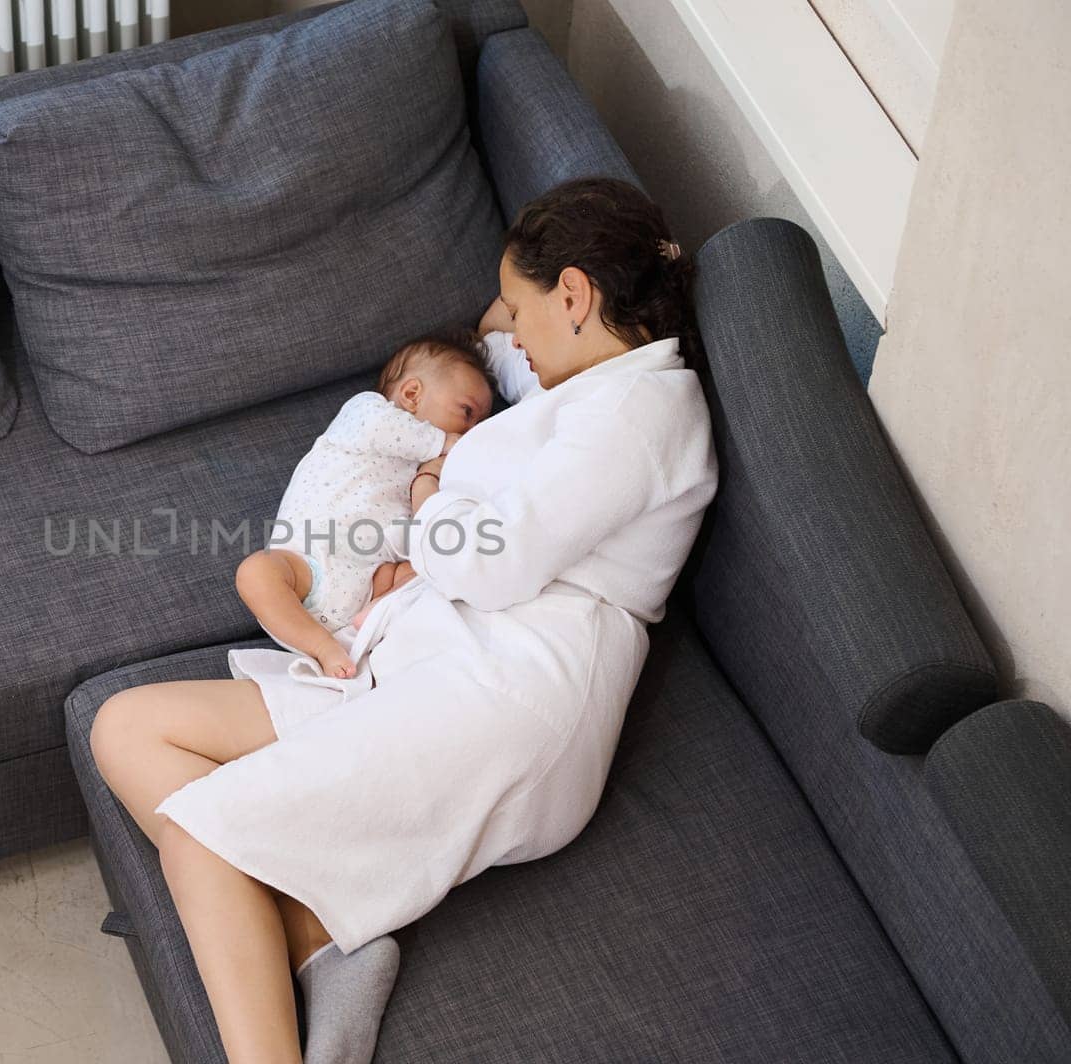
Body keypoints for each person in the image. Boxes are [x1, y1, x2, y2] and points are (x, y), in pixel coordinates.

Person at [89, 176, 718, 1064]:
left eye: (517, 306)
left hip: (508, 695)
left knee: (199, 836)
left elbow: (490, 562)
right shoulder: (583, 380)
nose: (508, 334)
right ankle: (318, 936)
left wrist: (428, 498)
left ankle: (292, 946)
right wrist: (498, 343)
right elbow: (491, 358)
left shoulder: (644, 416)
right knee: (126, 726)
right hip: (419, 659)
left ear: (574, 296)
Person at [235, 328, 495, 679]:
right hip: (309, 570)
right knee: (257, 572)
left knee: (432, 572)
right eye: (467, 412)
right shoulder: (367, 412)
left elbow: (430, 524)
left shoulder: (430, 468)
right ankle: (321, 645)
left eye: (478, 422)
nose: (471, 431)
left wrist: (432, 478)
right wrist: (443, 442)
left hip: (375, 580)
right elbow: (383, 430)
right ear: (411, 394)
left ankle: (367, 626)